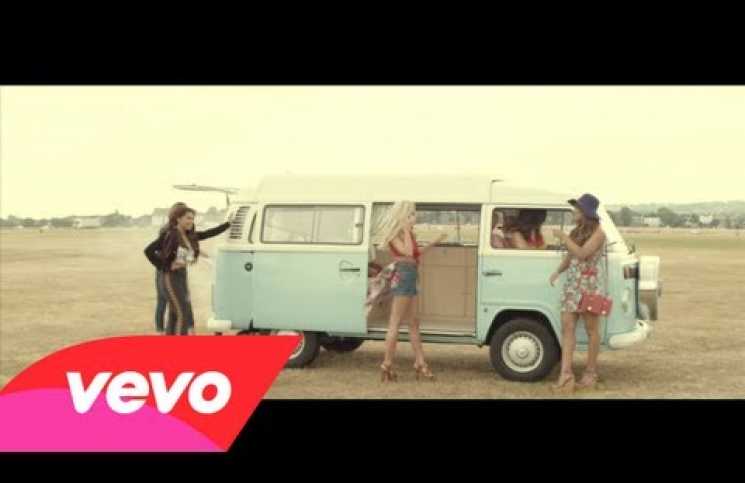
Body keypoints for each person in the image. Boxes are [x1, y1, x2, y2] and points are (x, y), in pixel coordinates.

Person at [377, 201, 447, 382]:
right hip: (404, 275)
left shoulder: (406, 233)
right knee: (395, 322)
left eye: (413, 214)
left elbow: (416, 253)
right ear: (402, 216)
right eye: (411, 214)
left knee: (414, 322)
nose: (414, 217)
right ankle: (386, 364)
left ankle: (420, 362)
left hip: (411, 275)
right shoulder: (395, 234)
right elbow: (407, 252)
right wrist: (406, 230)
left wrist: (435, 241)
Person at [549, 194, 607, 392]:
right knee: (567, 328)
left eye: (577, 209)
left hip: (590, 287)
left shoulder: (599, 233)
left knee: (592, 330)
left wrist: (564, 238)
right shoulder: (577, 231)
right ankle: (566, 376)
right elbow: (571, 256)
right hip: (572, 285)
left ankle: (590, 374)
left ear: (585, 213)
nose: (574, 212)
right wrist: (558, 271)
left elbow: (582, 254)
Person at [144, 205, 231, 335]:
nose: (191, 221)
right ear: (178, 219)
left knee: (175, 313)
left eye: (192, 218)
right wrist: (164, 266)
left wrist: (228, 224)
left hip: (180, 275)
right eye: (188, 218)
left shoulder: (188, 234)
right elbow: (149, 250)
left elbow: (208, 233)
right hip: (170, 277)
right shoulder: (171, 234)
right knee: (181, 313)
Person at [145, 202, 186, 334]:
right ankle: (163, 330)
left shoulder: (172, 229)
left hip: (167, 269)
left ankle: (164, 330)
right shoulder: (169, 231)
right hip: (167, 269)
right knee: (166, 301)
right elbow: (154, 250)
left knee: (165, 302)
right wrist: (164, 265)